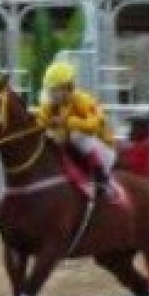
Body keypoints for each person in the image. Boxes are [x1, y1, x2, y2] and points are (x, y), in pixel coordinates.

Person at [37, 60, 116, 198]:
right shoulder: (51, 105)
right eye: (49, 90)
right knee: (52, 138)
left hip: (104, 152)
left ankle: (101, 179)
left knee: (76, 135)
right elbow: (39, 121)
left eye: (54, 90)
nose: (50, 94)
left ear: (67, 88)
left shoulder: (83, 100)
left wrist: (67, 121)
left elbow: (94, 125)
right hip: (78, 152)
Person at [118, 115, 149, 180]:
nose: (130, 131)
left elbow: (128, 165)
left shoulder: (146, 145)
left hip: (141, 183)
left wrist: (119, 152)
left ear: (143, 129)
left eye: (134, 127)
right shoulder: (138, 144)